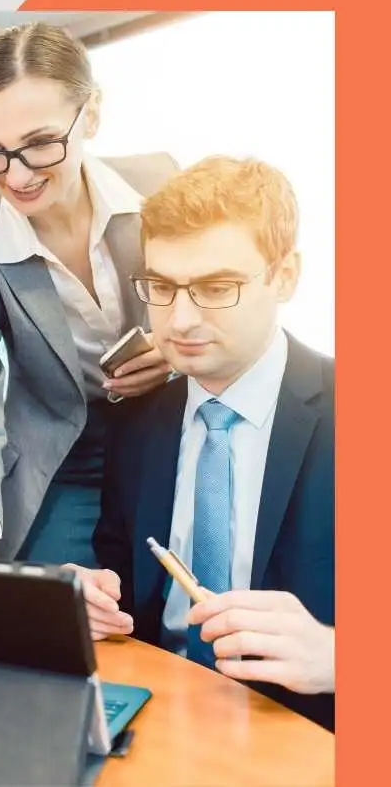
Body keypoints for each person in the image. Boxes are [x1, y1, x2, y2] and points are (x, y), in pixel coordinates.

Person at [81, 156, 334, 731]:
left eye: (217, 287)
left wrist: (339, 657)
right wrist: (97, 597)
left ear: (285, 276)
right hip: (153, 714)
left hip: (306, 732)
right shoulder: (135, 422)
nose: (181, 319)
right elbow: (119, 568)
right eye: (161, 288)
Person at [0, 22, 175, 565]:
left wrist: (175, 351)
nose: (17, 176)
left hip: (175, 429)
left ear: (94, 115)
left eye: (40, 144)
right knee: (58, 610)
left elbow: (229, 304)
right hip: (65, 454)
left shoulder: (162, 187)